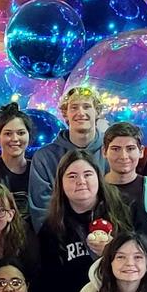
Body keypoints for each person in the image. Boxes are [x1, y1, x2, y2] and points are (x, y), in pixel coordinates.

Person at [35, 151, 147, 292]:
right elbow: (45, 282)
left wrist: (116, 251)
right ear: (61, 184)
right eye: (72, 176)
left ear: (98, 178)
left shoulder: (127, 209)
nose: (81, 181)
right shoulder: (52, 227)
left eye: (87, 174)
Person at [30, 87, 108, 226]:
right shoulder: (44, 158)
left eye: (87, 106)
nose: (80, 112)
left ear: (97, 111)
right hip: (60, 234)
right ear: (65, 114)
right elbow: (42, 210)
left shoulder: (111, 152)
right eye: (74, 107)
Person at [102, 122, 147, 225]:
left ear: (141, 151)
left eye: (130, 149)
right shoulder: (95, 189)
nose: (123, 156)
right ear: (104, 152)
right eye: (116, 149)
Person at [0, 103, 35, 213]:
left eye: (21, 133)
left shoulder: (39, 172)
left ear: (29, 136)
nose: (15, 139)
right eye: (8, 134)